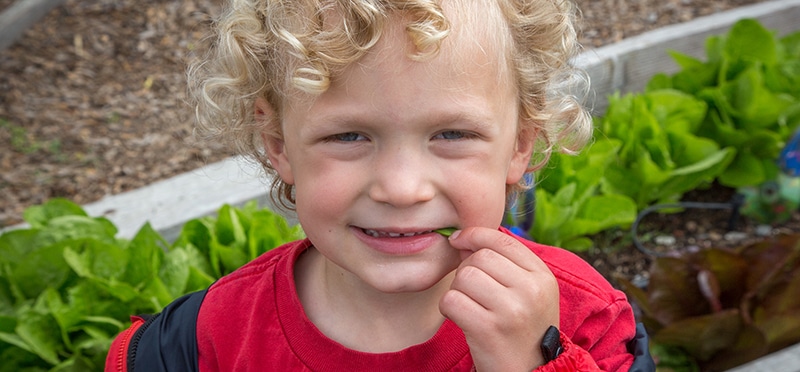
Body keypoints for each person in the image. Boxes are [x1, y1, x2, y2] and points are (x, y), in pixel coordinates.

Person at [107, 0, 655, 371]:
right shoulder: (205, 343)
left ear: (519, 145)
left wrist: (536, 361)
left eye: (451, 133)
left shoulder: (579, 319)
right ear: (277, 143)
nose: (401, 188)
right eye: (349, 136)